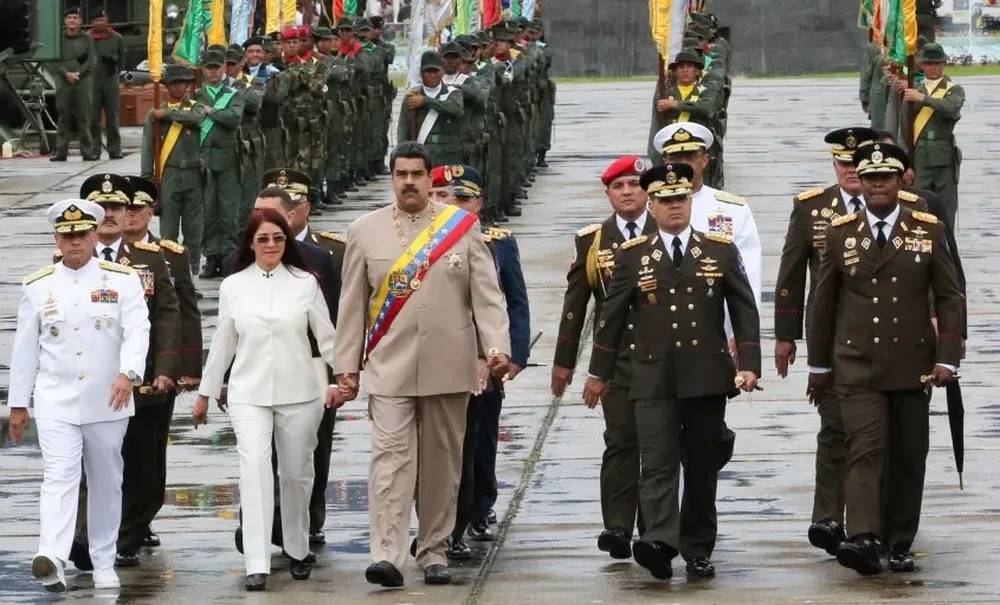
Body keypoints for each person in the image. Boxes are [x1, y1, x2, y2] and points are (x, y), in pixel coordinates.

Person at [333, 142, 511, 587]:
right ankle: (388, 556)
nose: (409, 181)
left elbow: (486, 296)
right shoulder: (364, 230)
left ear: (431, 180)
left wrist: (496, 349)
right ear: (391, 178)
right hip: (389, 366)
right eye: (400, 174)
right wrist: (346, 364)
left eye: (416, 173)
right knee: (389, 463)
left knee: (441, 465)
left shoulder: (461, 227)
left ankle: (433, 550)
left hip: (448, 367)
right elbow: (352, 303)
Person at [583, 163, 760, 580]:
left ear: (689, 203)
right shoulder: (632, 255)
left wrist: (748, 364)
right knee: (658, 463)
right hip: (652, 376)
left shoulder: (718, 249)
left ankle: (698, 548)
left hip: (706, 377)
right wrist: (598, 373)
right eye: (664, 200)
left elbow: (744, 308)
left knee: (701, 467)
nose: (673, 207)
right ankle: (660, 540)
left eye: (680, 199)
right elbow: (611, 318)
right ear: (652, 204)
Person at [806, 142, 963, 576]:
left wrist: (948, 357)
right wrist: (819, 365)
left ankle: (898, 542)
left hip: (912, 365)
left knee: (909, 457)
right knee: (865, 450)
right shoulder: (840, 232)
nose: (877, 185)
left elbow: (950, 296)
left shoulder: (927, 229)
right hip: (856, 365)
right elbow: (822, 305)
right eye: (871, 178)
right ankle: (863, 537)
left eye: (886, 178)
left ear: (901, 181)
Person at [773, 126, 925, 556]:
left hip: (892, 340)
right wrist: (786, 336)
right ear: (835, 166)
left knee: (880, 436)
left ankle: (874, 520)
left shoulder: (909, 209)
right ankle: (828, 516)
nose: (849, 173)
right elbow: (790, 278)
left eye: (855, 165)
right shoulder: (812, 209)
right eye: (842, 164)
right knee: (836, 427)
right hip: (836, 340)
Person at [7, 198, 150, 592]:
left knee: (106, 480)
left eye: (82, 235)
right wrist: (18, 404)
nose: (75, 243)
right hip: (56, 399)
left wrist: (128, 373)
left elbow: (138, 329)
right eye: (67, 236)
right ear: (56, 238)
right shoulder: (38, 286)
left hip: (108, 398)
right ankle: (51, 556)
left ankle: (104, 559)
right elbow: (25, 349)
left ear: (94, 235)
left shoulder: (120, 279)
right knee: (59, 475)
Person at [194, 208, 341, 591]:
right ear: (250, 243)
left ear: (287, 242)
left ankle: (297, 548)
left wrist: (343, 377)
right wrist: (206, 393)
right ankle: (255, 562)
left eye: (278, 238)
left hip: (301, 391)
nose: (271, 245)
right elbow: (223, 343)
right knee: (255, 470)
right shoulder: (234, 285)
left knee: (296, 474)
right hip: (249, 393)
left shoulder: (305, 282)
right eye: (263, 239)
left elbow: (326, 337)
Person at [551, 156, 656, 559]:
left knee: (658, 446)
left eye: (634, 184)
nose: (628, 191)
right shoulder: (594, 240)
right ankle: (617, 525)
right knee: (620, 442)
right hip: (617, 360)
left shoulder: (665, 228)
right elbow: (576, 304)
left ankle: (654, 527)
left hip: (661, 357)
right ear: (607, 193)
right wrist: (565, 361)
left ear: (647, 190)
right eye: (619, 186)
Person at [432, 165, 530, 552]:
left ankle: (479, 508)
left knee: (483, 438)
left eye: (462, 198)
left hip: (487, 360)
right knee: (446, 445)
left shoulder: (498, 242)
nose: (453, 204)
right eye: (444, 196)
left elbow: (516, 302)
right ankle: (445, 520)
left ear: (479, 203)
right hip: (442, 358)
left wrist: (514, 355)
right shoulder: (426, 241)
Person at [123, 176, 204, 546]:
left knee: (149, 452)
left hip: (158, 368)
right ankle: (125, 522)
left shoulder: (170, 254)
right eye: (122, 208)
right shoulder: (96, 252)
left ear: (150, 211)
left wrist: (187, 368)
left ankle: (142, 517)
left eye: (137, 208)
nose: (129, 215)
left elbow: (185, 312)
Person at [140, 64, 206, 275]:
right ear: (167, 86)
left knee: (193, 229)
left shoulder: (195, 107)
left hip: (194, 175)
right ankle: (169, 272)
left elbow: (196, 119)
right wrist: (147, 180)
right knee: (168, 230)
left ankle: (191, 271)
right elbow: (147, 149)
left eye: (183, 83)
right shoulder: (154, 115)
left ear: (188, 86)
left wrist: (167, 113)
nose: (178, 88)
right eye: (174, 84)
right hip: (168, 175)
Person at [897, 42, 964, 226]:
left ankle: (947, 251)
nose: (932, 67)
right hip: (920, 160)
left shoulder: (953, 90)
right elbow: (904, 131)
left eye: (936, 63)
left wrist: (923, 99)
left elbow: (951, 108)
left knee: (946, 212)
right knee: (917, 210)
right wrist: (906, 165)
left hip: (944, 161)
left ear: (943, 64)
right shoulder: (913, 92)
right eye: (928, 63)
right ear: (922, 65)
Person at [647, 48, 716, 164]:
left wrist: (675, 104)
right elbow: (656, 125)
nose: (685, 70)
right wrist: (655, 154)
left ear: (697, 71)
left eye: (689, 66)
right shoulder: (665, 94)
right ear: (674, 72)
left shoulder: (705, 92)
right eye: (680, 67)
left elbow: (706, 108)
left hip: (697, 148)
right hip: (672, 149)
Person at [398, 51, 465, 167]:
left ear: (442, 72)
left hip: (449, 158)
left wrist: (425, 101)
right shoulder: (412, 96)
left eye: (436, 71)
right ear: (421, 73)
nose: (432, 75)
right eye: (428, 71)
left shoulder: (453, 93)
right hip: (422, 156)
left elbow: (455, 109)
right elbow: (403, 130)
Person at [52, 7, 97, 162]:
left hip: (82, 82)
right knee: (63, 116)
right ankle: (60, 152)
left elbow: (92, 59)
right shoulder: (58, 40)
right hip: (63, 82)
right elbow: (54, 60)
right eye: (69, 17)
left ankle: (87, 152)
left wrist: (78, 73)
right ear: (64, 20)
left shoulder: (87, 39)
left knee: (83, 117)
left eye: (75, 17)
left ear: (80, 21)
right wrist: (66, 73)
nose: (72, 20)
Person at [87, 8, 124, 160]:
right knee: (93, 117)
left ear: (107, 20)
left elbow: (122, 59)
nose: (100, 23)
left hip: (110, 80)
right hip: (92, 82)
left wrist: (114, 73)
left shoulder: (117, 38)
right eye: (97, 21)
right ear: (92, 23)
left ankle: (114, 149)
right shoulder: (87, 38)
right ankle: (95, 149)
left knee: (112, 117)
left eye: (102, 20)